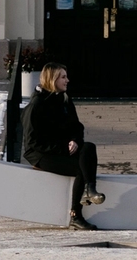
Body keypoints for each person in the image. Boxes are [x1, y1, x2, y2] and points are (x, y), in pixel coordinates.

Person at [21, 62, 105, 230]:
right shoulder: (37, 104)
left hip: (61, 148)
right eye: (63, 77)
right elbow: (33, 142)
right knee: (82, 168)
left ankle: (90, 189)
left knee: (88, 147)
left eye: (66, 76)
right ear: (52, 79)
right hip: (40, 154)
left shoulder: (64, 99)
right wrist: (63, 148)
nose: (67, 80)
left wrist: (74, 140)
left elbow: (77, 126)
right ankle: (76, 215)